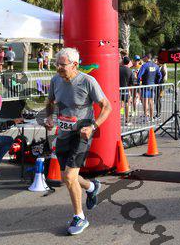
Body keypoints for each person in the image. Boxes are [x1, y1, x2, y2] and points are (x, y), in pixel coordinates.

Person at [44, 47, 112, 236]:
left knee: (68, 177)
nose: (58, 67)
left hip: (81, 135)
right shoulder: (56, 80)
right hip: (63, 135)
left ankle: (79, 217)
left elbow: (107, 106)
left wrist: (93, 127)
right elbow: (50, 102)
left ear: (74, 64)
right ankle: (91, 186)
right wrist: (49, 117)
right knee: (68, 176)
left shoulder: (87, 81)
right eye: (57, 64)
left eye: (62, 64)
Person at [137, 54, 162, 121]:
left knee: (145, 101)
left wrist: (138, 84)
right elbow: (160, 75)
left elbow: (139, 76)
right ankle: (151, 117)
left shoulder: (145, 66)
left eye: (144, 57)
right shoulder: (156, 66)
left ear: (147, 57)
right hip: (152, 85)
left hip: (145, 85)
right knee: (151, 101)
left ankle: (146, 117)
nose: (143, 59)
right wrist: (157, 82)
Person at [119, 56, 134, 124]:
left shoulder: (118, 69)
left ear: (122, 61)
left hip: (118, 90)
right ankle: (127, 120)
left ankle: (118, 119)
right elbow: (132, 81)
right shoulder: (129, 70)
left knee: (119, 104)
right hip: (126, 90)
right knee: (127, 104)